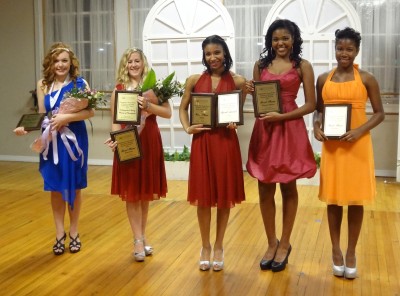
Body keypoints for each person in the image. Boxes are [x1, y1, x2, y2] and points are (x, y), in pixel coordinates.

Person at [245, 19, 317, 272]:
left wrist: (282, 117)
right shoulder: (260, 66)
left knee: (288, 187)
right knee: (264, 189)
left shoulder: (302, 66)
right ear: (270, 41)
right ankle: (271, 242)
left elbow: (311, 104)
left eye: (285, 38)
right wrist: (252, 94)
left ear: (294, 39)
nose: (280, 43)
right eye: (276, 39)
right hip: (265, 130)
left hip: (289, 128)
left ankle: (285, 243)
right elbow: (257, 108)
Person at [313, 27, 384, 279]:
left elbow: (379, 113)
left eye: (349, 49)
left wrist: (359, 130)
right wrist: (316, 127)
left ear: (357, 51)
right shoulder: (323, 79)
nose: (344, 53)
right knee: (333, 199)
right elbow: (318, 110)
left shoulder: (366, 79)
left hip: (357, 145)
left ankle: (351, 251)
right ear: (335, 48)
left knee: (355, 200)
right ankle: (335, 250)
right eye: (340, 48)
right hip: (332, 147)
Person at [14, 42, 94, 255]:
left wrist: (67, 117)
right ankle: (60, 233)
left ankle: (74, 231)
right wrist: (26, 128)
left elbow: (89, 113)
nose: (60, 65)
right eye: (56, 61)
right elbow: (42, 116)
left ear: (71, 63)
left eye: (64, 61)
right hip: (52, 140)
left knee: (74, 185)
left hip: (74, 140)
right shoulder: (42, 85)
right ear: (50, 63)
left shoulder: (80, 83)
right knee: (55, 186)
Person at [179, 35, 246, 271]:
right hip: (203, 142)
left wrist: (234, 123)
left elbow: (238, 114)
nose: (213, 57)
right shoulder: (194, 80)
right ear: (203, 56)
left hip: (226, 143)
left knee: (224, 196)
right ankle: (205, 245)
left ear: (225, 53)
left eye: (217, 52)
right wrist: (188, 128)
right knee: (204, 197)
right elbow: (182, 109)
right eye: (208, 53)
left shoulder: (238, 81)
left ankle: (219, 245)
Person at [104, 48, 170, 262]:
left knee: (144, 192)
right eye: (129, 61)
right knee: (132, 191)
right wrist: (114, 138)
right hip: (128, 141)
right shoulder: (119, 89)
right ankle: (138, 240)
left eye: (136, 61)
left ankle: (142, 235)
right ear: (125, 65)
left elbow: (168, 113)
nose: (133, 65)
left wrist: (149, 105)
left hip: (149, 139)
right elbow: (115, 119)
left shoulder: (154, 88)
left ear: (143, 63)